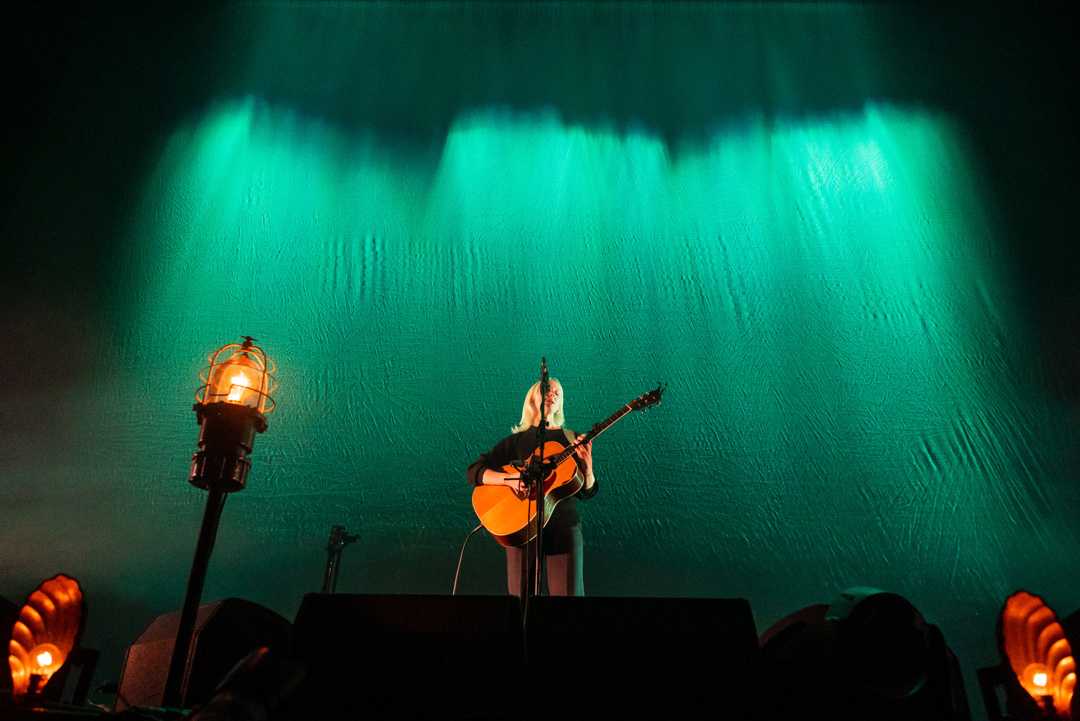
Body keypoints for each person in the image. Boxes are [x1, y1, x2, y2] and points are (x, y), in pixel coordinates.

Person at [466, 378, 598, 596]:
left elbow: (588, 492)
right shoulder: (516, 441)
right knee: (520, 603)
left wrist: (588, 470)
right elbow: (475, 471)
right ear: (532, 397)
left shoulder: (572, 440)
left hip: (563, 527)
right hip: (520, 527)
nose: (552, 394)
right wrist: (508, 480)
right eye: (547, 389)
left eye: (558, 393)